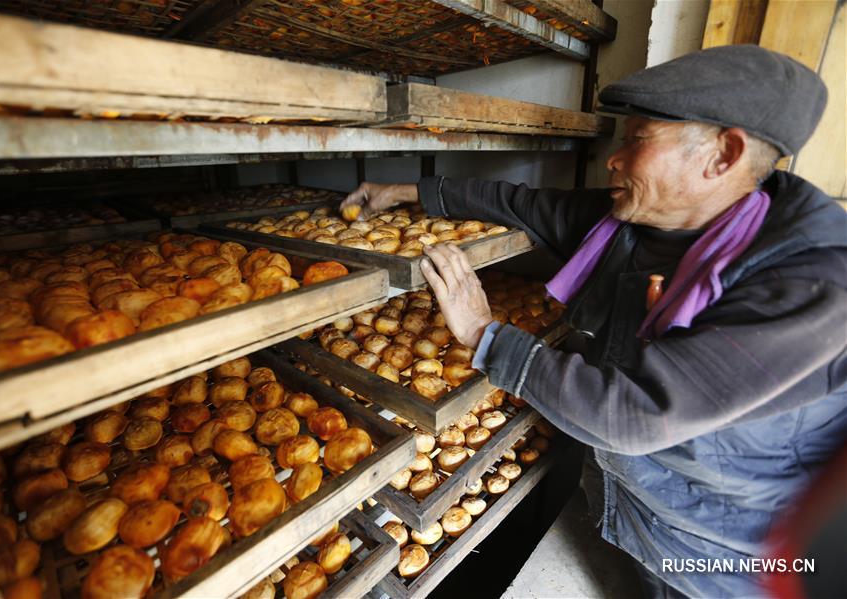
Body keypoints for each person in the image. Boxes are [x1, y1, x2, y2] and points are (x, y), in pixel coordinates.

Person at [341, 45, 847, 597]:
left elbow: (635, 414)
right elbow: (521, 203)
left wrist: (483, 333)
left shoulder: (813, 282)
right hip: (634, 505)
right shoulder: (645, 220)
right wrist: (405, 192)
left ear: (722, 155)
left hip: (733, 548)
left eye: (636, 139)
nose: (613, 158)